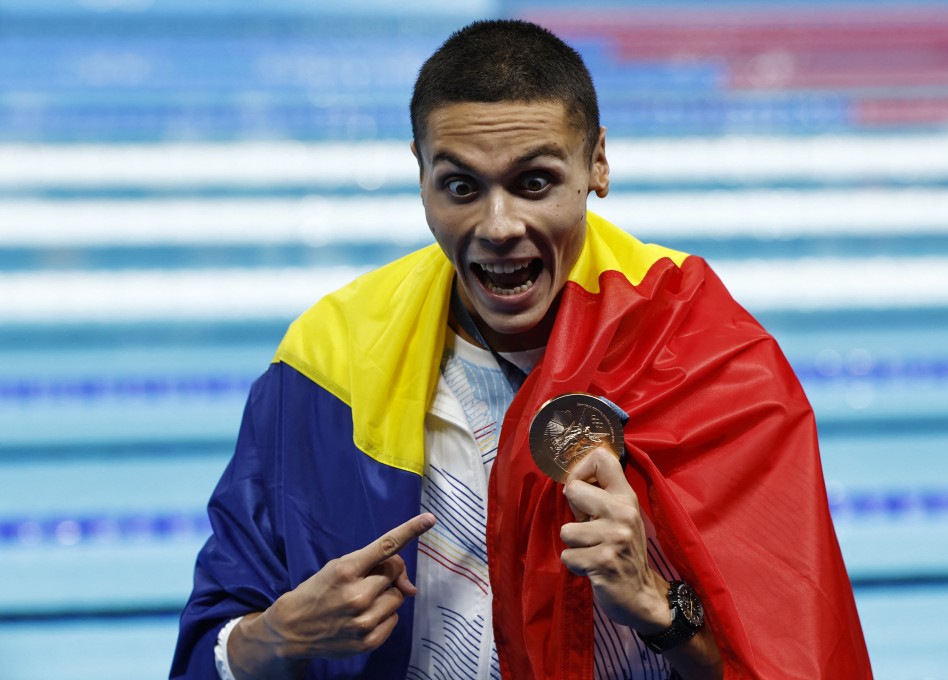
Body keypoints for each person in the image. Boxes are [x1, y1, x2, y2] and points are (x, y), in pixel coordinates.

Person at [170, 18, 871, 680]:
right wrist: (275, 638)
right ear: (420, 174)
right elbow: (210, 646)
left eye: (534, 182)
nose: (499, 225)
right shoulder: (330, 360)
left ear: (596, 163)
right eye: (461, 187)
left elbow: (798, 655)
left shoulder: (706, 357)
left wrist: (659, 608)